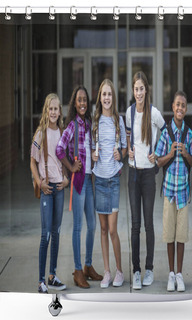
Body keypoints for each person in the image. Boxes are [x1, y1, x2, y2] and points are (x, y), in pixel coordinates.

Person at [56, 85, 102, 289]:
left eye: (85, 100)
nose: (82, 103)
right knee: (77, 227)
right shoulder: (72, 126)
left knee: (92, 225)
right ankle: (76, 270)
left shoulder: (89, 123)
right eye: (79, 100)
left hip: (89, 181)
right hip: (78, 183)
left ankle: (88, 266)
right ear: (74, 103)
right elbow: (59, 149)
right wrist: (70, 166)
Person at [126, 71, 166, 290]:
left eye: (142, 88)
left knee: (149, 224)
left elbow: (166, 132)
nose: (139, 92)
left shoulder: (154, 113)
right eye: (136, 88)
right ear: (133, 91)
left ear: (146, 90)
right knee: (135, 225)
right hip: (133, 174)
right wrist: (128, 151)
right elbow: (128, 137)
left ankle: (149, 268)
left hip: (149, 174)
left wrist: (157, 154)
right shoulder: (129, 112)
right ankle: (136, 270)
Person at [155, 91, 192, 292]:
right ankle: (171, 274)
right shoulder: (166, 133)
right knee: (169, 235)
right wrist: (171, 153)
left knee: (181, 236)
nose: (180, 108)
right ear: (172, 107)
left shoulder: (189, 133)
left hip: (183, 193)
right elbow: (157, 160)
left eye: (183, 105)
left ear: (186, 109)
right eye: (177, 105)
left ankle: (180, 274)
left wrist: (185, 153)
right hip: (169, 192)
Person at [30, 93, 68, 293]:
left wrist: (67, 178)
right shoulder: (41, 133)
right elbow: (32, 162)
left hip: (59, 188)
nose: (53, 112)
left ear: (60, 111)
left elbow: (66, 159)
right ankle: (41, 281)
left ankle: (52, 275)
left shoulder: (63, 132)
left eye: (56, 109)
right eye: (50, 109)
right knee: (45, 234)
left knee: (57, 232)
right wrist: (39, 181)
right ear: (46, 111)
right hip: (46, 189)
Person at [92, 79, 127, 288]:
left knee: (113, 229)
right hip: (99, 179)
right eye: (103, 94)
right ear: (100, 98)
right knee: (103, 229)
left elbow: (124, 148)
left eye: (109, 94)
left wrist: (120, 154)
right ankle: (106, 272)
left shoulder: (118, 121)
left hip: (113, 180)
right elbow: (90, 148)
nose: (106, 98)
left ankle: (119, 271)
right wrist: (92, 156)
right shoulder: (95, 121)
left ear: (113, 97)